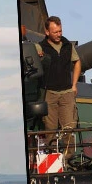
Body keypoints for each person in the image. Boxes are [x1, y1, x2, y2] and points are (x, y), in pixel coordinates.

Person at [35, 16, 81, 161]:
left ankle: (67, 159)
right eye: (55, 32)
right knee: (50, 129)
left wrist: (74, 84)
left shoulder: (68, 45)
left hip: (67, 92)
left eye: (60, 31)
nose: (59, 34)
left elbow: (77, 62)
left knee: (69, 128)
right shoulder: (40, 46)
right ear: (47, 32)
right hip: (49, 93)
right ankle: (52, 159)